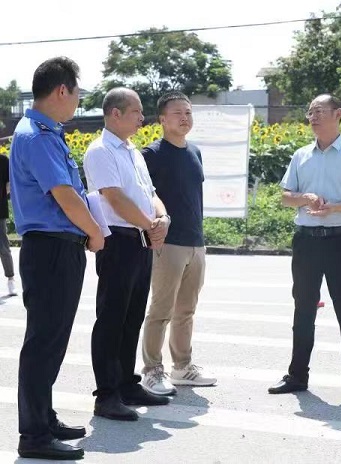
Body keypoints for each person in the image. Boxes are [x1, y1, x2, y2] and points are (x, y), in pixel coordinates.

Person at [11, 57, 104, 460]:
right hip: (50, 249)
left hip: (57, 249)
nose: (78, 101)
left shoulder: (46, 132)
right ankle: (33, 436)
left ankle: (44, 419)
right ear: (62, 90)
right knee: (43, 342)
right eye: (77, 92)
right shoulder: (36, 135)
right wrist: (96, 232)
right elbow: (65, 196)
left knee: (52, 340)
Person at [268, 94, 341, 400]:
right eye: (310, 112)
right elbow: (285, 196)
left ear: (338, 114)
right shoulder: (301, 155)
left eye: (319, 111)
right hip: (306, 241)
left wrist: (337, 208)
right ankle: (297, 375)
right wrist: (305, 198)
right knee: (303, 309)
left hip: (340, 240)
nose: (312, 117)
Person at [83, 88, 171, 422]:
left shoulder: (132, 151)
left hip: (140, 238)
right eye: (135, 111)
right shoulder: (101, 150)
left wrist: (161, 219)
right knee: (111, 318)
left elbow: (151, 194)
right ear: (115, 114)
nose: (141, 118)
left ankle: (126, 383)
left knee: (132, 315)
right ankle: (106, 395)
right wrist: (151, 224)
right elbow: (114, 199)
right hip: (118, 240)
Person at [140, 91, 216, 396]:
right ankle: (152, 370)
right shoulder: (152, 154)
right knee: (161, 310)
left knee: (187, 310)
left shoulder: (195, 152)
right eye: (178, 113)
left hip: (196, 243)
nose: (185, 118)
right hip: (166, 244)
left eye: (188, 112)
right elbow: (143, 196)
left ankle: (182, 367)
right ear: (162, 119)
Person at [0, 154, 17, 296]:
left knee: (3, 247)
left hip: (0, 210)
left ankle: (11, 278)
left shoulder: (3, 160)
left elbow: (9, 183)